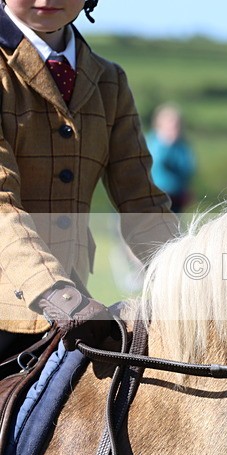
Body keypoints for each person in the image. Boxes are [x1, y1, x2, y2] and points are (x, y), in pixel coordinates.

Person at [0, 0, 178, 357]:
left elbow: (143, 203)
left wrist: (195, 280)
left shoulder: (109, 81)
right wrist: (54, 293)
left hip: (76, 314)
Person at [145, 103, 196, 213]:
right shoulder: (152, 142)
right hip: (154, 195)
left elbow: (188, 167)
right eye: (170, 124)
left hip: (176, 196)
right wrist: (167, 146)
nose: (174, 128)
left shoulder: (182, 145)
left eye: (176, 125)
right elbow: (156, 163)